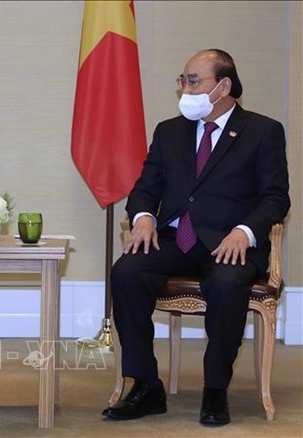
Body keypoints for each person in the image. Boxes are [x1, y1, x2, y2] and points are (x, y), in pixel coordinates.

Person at [102, 49, 290, 426]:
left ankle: (215, 390)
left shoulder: (262, 131)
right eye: (182, 80)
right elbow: (144, 189)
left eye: (193, 81)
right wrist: (142, 218)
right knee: (127, 272)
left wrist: (245, 231)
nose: (184, 88)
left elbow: (276, 197)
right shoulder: (169, 131)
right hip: (174, 240)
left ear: (223, 86)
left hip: (229, 245)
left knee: (225, 285)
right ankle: (145, 385)